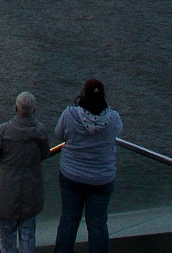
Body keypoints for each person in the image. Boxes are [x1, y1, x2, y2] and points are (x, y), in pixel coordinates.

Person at [53, 79, 123, 253]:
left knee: (69, 219)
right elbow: (118, 132)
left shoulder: (69, 114)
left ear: (83, 94)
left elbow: (58, 134)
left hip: (71, 175)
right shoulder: (113, 118)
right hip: (102, 178)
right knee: (97, 223)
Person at [0, 91, 49, 253]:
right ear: (33, 111)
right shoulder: (40, 131)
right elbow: (45, 154)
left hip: (6, 192)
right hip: (31, 191)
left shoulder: (4, 130)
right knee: (28, 234)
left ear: (16, 108)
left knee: (7, 237)